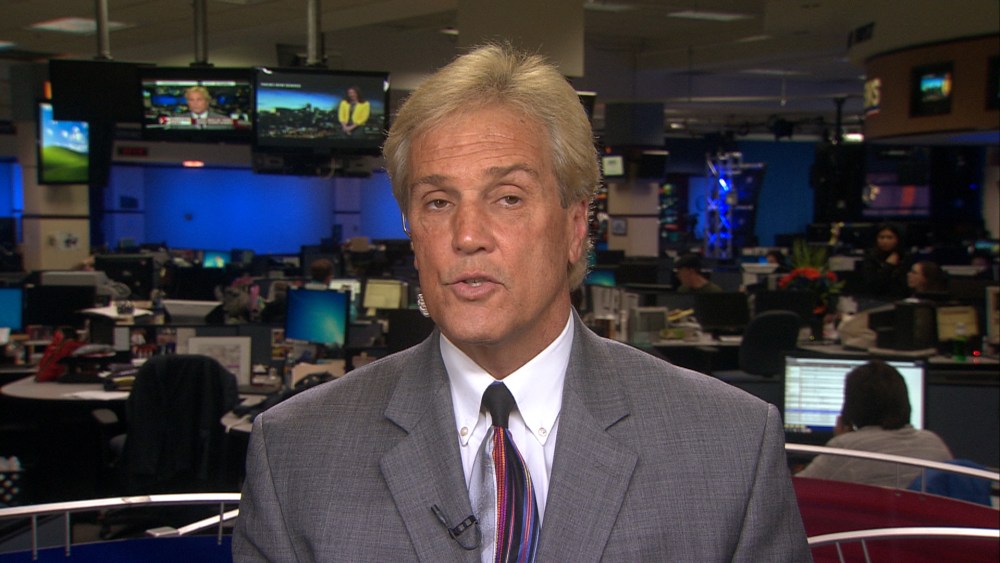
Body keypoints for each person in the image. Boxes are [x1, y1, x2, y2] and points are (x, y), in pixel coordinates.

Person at [233, 43, 809, 561]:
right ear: (412, 231)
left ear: (576, 226)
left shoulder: (731, 445)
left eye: (507, 198)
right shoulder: (295, 450)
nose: (466, 235)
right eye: (437, 202)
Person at [796, 360, 952, 488]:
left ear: (852, 406)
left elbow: (795, 491)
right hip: (920, 518)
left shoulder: (846, 448)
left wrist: (839, 443)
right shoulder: (934, 442)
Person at [861, 223, 910, 299]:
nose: (885, 241)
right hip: (876, 299)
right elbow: (873, 285)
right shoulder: (871, 257)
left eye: (890, 237)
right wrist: (888, 266)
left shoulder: (905, 257)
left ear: (897, 239)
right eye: (881, 237)